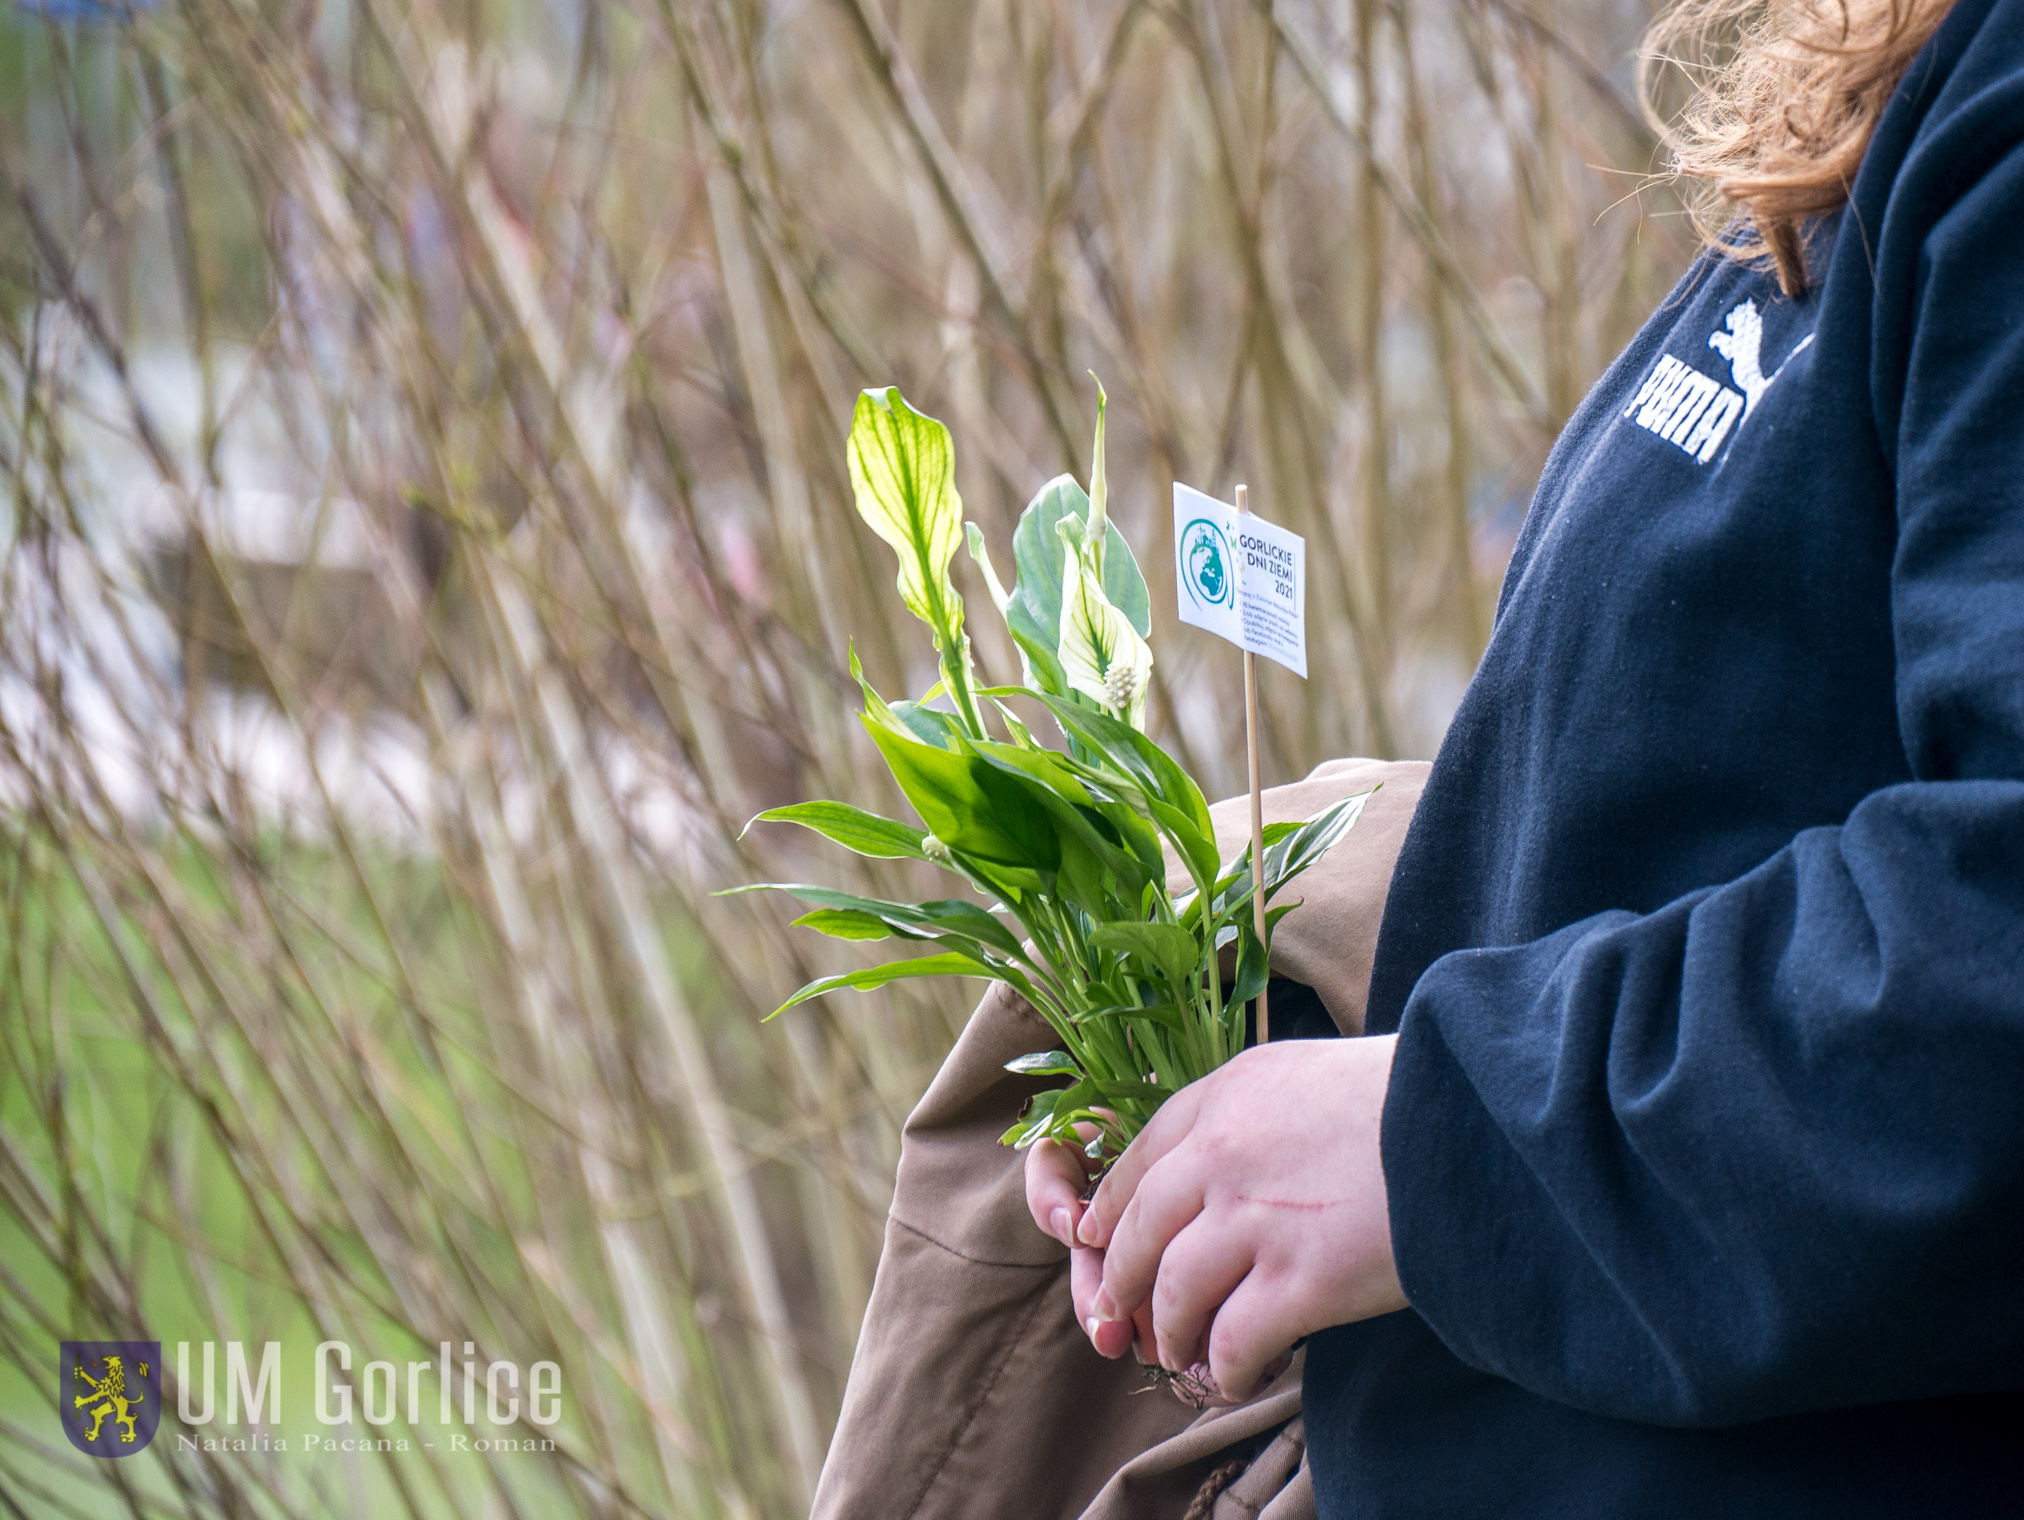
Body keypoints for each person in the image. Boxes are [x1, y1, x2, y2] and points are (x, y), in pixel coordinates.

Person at [1027, 0, 2024, 1513]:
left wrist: (1421, 1142)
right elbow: (1707, 803)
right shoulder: (1884, 100)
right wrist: (1251, 1064)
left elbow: (1987, 962)